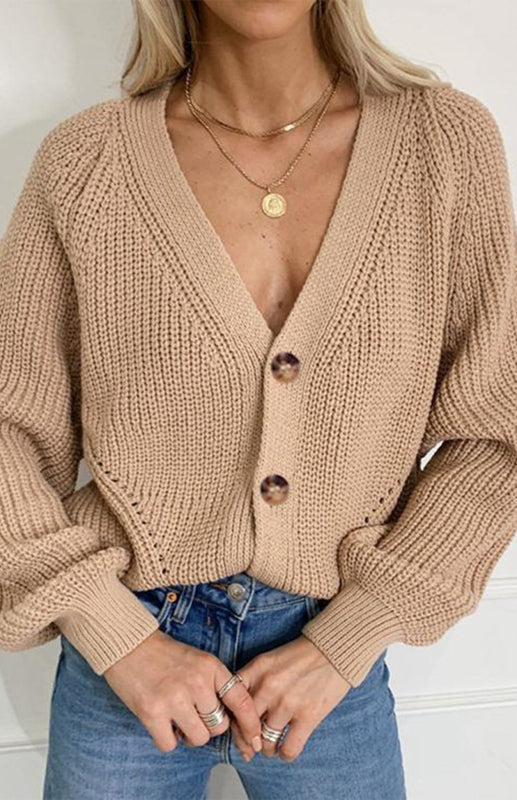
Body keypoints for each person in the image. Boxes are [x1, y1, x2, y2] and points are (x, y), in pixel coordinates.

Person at [1, 1, 516, 798]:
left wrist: (350, 635)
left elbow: (495, 430)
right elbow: (8, 426)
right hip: (124, 660)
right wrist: (111, 632)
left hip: (330, 662)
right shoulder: (86, 163)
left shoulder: (441, 145)